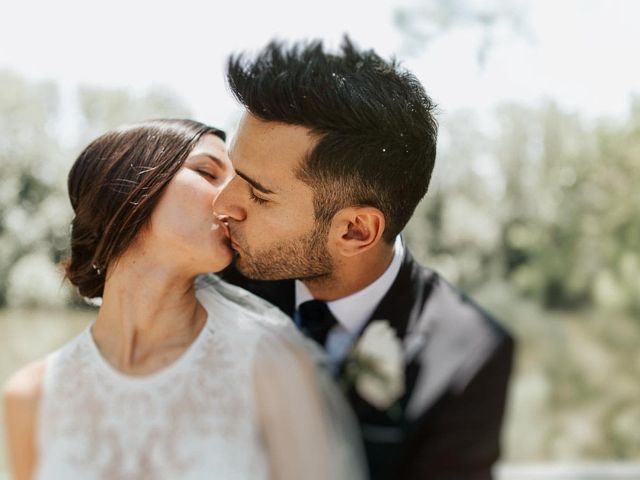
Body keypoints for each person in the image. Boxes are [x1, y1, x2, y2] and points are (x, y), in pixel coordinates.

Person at [216, 38, 516, 480]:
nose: (223, 204)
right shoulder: (213, 282)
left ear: (355, 231)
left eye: (258, 194)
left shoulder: (467, 354)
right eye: (229, 173)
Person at [3, 119, 366, 480]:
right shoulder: (30, 397)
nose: (234, 200)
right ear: (126, 188)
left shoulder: (272, 367)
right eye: (208, 173)